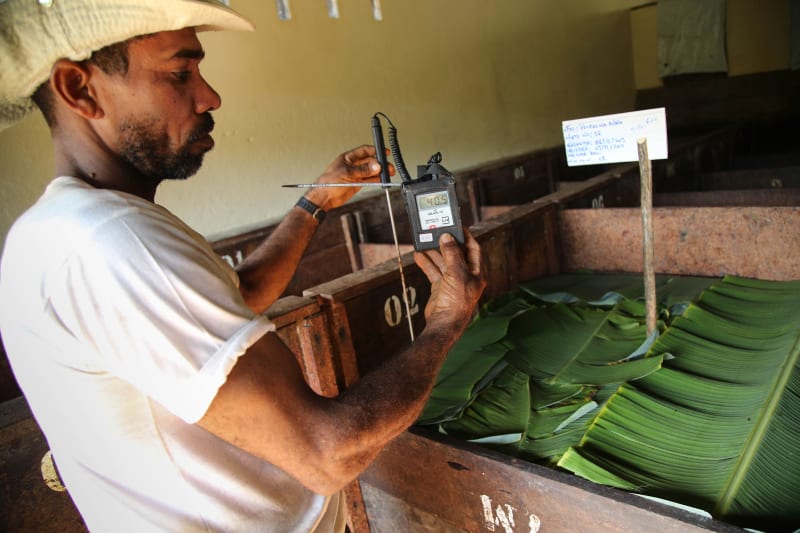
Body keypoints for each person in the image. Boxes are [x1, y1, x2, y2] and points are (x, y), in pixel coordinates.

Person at [0, 1, 485, 531]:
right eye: (180, 73)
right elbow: (329, 452)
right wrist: (446, 323)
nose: (210, 96)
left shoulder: (56, 230)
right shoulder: (112, 243)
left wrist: (316, 202)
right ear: (79, 89)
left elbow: (245, 292)